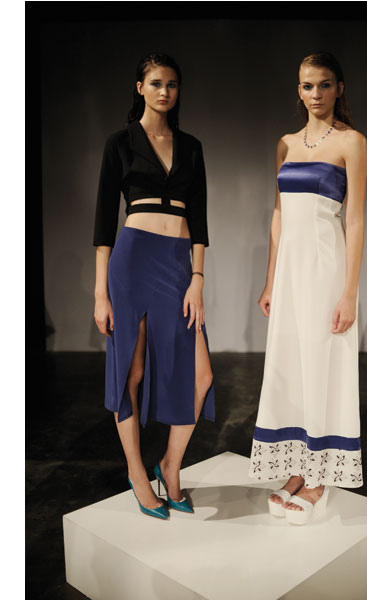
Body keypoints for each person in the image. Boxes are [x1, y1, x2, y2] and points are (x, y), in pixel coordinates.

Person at [248, 51, 367, 525]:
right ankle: (298, 468)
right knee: (291, 365)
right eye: (306, 85)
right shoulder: (284, 144)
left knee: (321, 364)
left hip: (326, 268)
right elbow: (279, 214)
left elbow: (354, 220)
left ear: (339, 88)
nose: (315, 94)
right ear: (297, 90)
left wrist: (349, 292)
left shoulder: (352, 142)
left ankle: (319, 477)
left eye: (324, 84)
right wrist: (270, 280)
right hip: (291, 273)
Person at [93, 53, 215, 520]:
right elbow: (104, 224)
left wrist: (197, 277)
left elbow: (200, 220)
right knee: (133, 370)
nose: (165, 91)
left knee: (202, 376)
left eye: (173, 84)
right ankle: (137, 473)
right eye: (157, 83)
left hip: (177, 265)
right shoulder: (120, 143)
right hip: (131, 261)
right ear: (140, 87)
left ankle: (170, 464)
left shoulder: (191, 146)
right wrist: (100, 292)